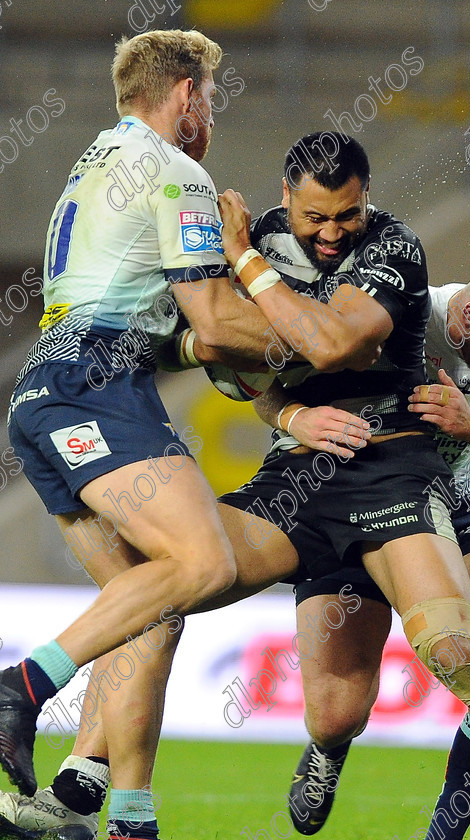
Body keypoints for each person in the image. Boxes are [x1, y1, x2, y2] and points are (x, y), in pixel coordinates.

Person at [1, 133, 470, 840]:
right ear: (464, 317)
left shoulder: (397, 260)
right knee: (269, 660)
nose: (333, 233)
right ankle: (88, 776)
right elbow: (256, 374)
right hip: (304, 478)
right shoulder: (347, 276)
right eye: (317, 218)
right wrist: (290, 405)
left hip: (424, 486)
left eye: (347, 216)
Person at [0, 28, 302, 840]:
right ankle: (20, 688)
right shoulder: (178, 172)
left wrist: (219, 341)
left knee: (150, 606)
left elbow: (176, 337)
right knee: (203, 562)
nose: (210, 112)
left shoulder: (97, 160)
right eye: (206, 95)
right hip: (95, 385)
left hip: (48, 385)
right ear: (184, 95)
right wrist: (305, 326)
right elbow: (211, 319)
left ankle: (116, 810)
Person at [261, 255, 470, 839]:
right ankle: (329, 747)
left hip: (446, 498)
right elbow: (265, 383)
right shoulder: (401, 311)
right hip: (345, 489)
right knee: (337, 712)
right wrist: (295, 416)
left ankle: (443, 832)